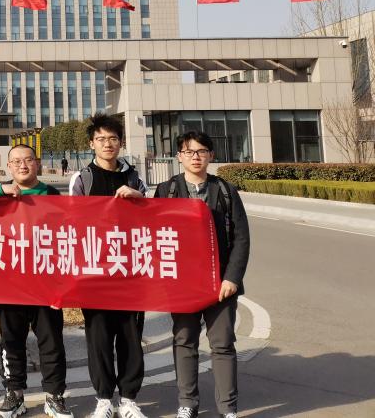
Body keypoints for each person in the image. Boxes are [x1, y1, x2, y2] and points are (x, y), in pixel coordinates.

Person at [155, 132, 250, 418]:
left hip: (220, 284)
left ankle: (227, 408)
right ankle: (187, 403)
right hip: (183, 285)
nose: (195, 157)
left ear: (210, 155)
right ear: (179, 156)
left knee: (222, 345)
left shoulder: (225, 190)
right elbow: (154, 234)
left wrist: (232, 278)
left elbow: (241, 238)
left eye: (201, 151)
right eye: (189, 151)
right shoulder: (167, 190)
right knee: (185, 341)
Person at [0, 144, 74, 418]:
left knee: (51, 342)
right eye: (17, 161)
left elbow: (67, 236)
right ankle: (14, 394)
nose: (23, 165)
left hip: (46, 285)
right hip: (9, 285)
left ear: (37, 163)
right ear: (9, 167)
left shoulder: (51, 195)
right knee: (11, 341)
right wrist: (0, 190)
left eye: (28, 160)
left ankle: (54, 396)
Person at [67, 113, 149, 418]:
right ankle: (103, 399)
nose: (107, 144)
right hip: (95, 271)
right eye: (101, 139)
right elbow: (72, 222)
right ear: (91, 143)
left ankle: (128, 399)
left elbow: (152, 218)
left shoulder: (134, 178)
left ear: (121, 143)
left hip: (129, 271)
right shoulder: (82, 179)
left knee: (130, 337)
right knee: (99, 337)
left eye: (113, 139)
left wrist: (138, 197)